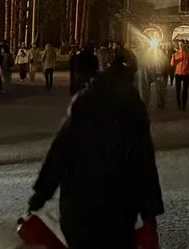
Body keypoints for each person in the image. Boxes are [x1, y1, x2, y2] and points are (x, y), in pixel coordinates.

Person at [28, 53, 164, 249]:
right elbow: (143, 163)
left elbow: (59, 152)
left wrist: (40, 195)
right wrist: (149, 216)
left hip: (77, 205)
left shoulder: (84, 100)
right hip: (118, 207)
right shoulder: (133, 108)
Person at [168, 44, 189, 112]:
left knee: (184, 90)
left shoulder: (188, 54)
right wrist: (173, 57)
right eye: (180, 45)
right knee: (178, 90)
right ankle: (179, 104)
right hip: (178, 74)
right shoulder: (176, 54)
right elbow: (172, 64)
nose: (181, 46)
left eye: (182, 45)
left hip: (185, 74)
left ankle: (183, 105)